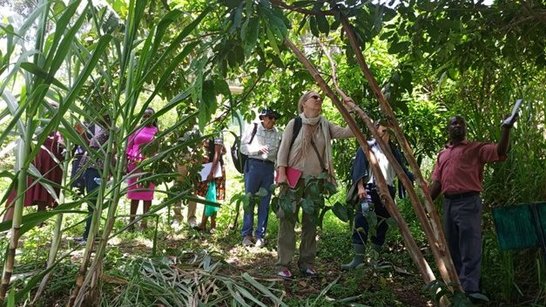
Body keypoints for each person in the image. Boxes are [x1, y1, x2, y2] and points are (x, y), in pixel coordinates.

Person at [430, 114, 517, 299]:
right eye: (454, 123)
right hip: (449, 203)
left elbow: (500, 150)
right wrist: (425, 204)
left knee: (470, 244)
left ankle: (471, 289)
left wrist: (506, 129)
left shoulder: (476, 148)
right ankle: (457, 287)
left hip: (468, 201)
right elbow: (437, 183)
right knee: (452, 245)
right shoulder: (443, 154)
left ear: (465, 129)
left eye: (461, 123)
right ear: (448, 129)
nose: (458, 125)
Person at [275, 91, 356, 278]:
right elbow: (284, 149)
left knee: (310, 221)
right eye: (314, 96)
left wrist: (350, 109)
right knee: (287, 219)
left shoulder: (325, 125)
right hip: (293, 177)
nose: (319, 99)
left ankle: (307, 263)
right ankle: (283, 263)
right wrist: (281, 173)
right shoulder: (294, 124)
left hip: (315, 181)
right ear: (304, 103)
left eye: (320, 97)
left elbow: (349, 132)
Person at [342, 119, 413, 270]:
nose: (382, 135)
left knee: (382, 223)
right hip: (369, 189)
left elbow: (403, 171)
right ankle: (358, 259)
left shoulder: (394, 151)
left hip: (388, 191)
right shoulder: (367, 146)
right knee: (362, 219)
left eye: (385, 132)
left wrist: (415, 179)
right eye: (380, 131)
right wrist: (360, 187)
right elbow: (359, 167)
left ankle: (375, 259)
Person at [240, 108, 282, 248]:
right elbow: (242, 148)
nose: (272, 120)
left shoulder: (278, 134)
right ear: (263, 118)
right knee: (249, 199)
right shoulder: (253, 129)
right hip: (253, 165)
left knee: (265, 202)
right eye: (270, 117)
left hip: (268, 169)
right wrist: (257, 150)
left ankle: (260, 236)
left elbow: (279, 156)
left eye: (274, 118)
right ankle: (246, 234)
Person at [3, 131, 65, 222]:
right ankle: (5, 228)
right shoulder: (40, 129)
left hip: (49, 162)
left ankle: (37, 226)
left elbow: (63, 146)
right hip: (34, 161)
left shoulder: (59, 132)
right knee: (17, 194)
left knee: (43, 196)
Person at [74, 114, 114, 243]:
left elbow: (113, 151)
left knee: (93, 202)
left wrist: (110, 169)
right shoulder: (100, 131)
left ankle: (89, 236)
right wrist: (82, 133)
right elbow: (89, 146)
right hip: (91, 167)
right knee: (91, 201)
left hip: (98, 168)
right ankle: (89, 233)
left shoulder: (110, 132)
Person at [126, 107, 159, 230]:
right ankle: (131, 222)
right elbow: (128, 146)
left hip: (150, 164)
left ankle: (144, 223)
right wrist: (126, 163)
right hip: (135, 163)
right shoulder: (136, 129)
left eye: (149, 115)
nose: (146, 117)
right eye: (144, 115)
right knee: (134, 192)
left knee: (147, 193)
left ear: (154, 117)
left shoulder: (157, 131)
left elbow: (159, 147)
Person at [196, 132, 226, 233]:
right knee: (210, 195)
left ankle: (211, 225)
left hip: (214, 169)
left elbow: (218, 153)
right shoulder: (209, 131)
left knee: (212, 196)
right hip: (209, 166)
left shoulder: (217, 133)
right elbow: (223, 150)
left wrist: (212, 171)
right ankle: (205, 224)